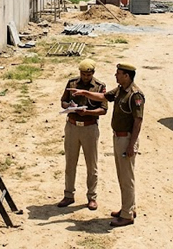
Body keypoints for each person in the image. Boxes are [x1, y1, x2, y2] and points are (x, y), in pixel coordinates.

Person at [72, 62, 144, 227]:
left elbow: (138, 121)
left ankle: (127, 215)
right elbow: (103, 97)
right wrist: (84, 92)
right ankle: (128, 208)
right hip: (119, 138)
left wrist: (131, 145)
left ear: (126, 76)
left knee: (126, 178)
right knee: (122, 176)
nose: (115, 75)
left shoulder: (135, 95)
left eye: (118, 73)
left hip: (126, 139)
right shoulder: (120, 90)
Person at [57, 58, 108, 211]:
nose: (86, 77)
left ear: (93, 73)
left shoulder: (99, 87)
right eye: (83, 74)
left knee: (91, 165)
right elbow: (63, 101)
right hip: (72, 126)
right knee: (70, 163)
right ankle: (68, 195)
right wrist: (69, 106)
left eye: (88, 74)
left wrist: (88, 112)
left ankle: (92, 197)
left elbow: (103, 109)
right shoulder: (72, 83)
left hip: (89, 128)